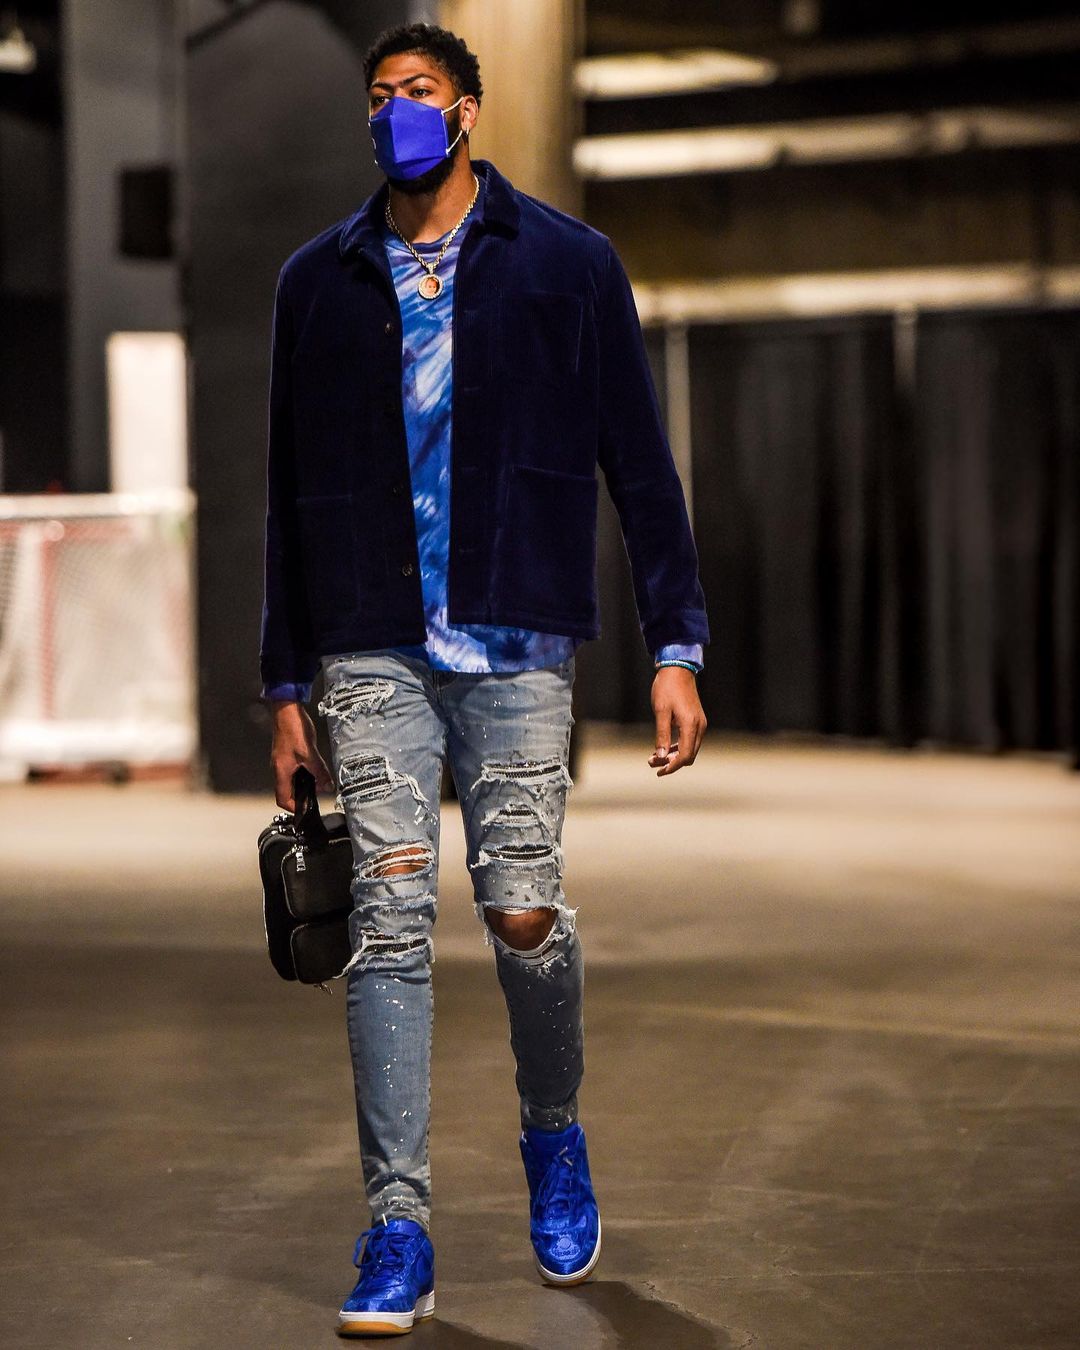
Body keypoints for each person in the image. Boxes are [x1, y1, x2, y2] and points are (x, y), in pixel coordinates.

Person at [260, 21, 710, 1338]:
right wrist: (282, 678)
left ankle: (553, 1132)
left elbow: (641, 463)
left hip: (515, 641)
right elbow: (284, 489)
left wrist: (676, 644)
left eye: (417, 92)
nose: (394, 112)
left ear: (467, 110)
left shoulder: (568, 263)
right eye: (378, 95)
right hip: (372, 645)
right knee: (389, 926)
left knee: (522, 915)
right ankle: (398, 1227)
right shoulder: (317, 281)